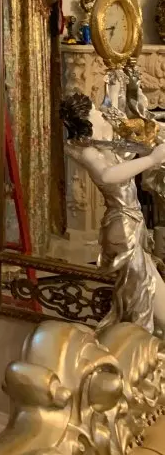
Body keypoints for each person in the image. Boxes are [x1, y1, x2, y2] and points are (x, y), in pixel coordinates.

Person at [60, 91, 165, 334]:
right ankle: (135, 341)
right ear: (87, 121)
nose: (101, 113)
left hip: (132, 223)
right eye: (95, 112)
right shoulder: (86, 152)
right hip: (123, 228)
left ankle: (140, 338)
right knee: (144, 291)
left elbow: (124, 152)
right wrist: (152, 160)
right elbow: (107, 176)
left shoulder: (100, 144)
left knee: (142, 290)